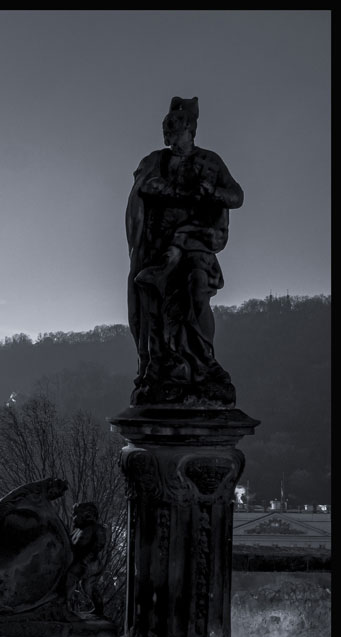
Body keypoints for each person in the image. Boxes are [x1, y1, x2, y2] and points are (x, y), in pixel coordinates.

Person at [125, 96, 244, 405]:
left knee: (197, 294)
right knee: (158, 308)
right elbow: (144, 189)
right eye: (166, 133)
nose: (168, 139)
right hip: (159, 246)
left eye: (173, 132)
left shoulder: (209, 161)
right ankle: (165, 365)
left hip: (198, 244)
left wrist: (212, 193)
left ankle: (203, 362)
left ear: (190, 129)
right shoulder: (157, 161)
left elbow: (236, 195)